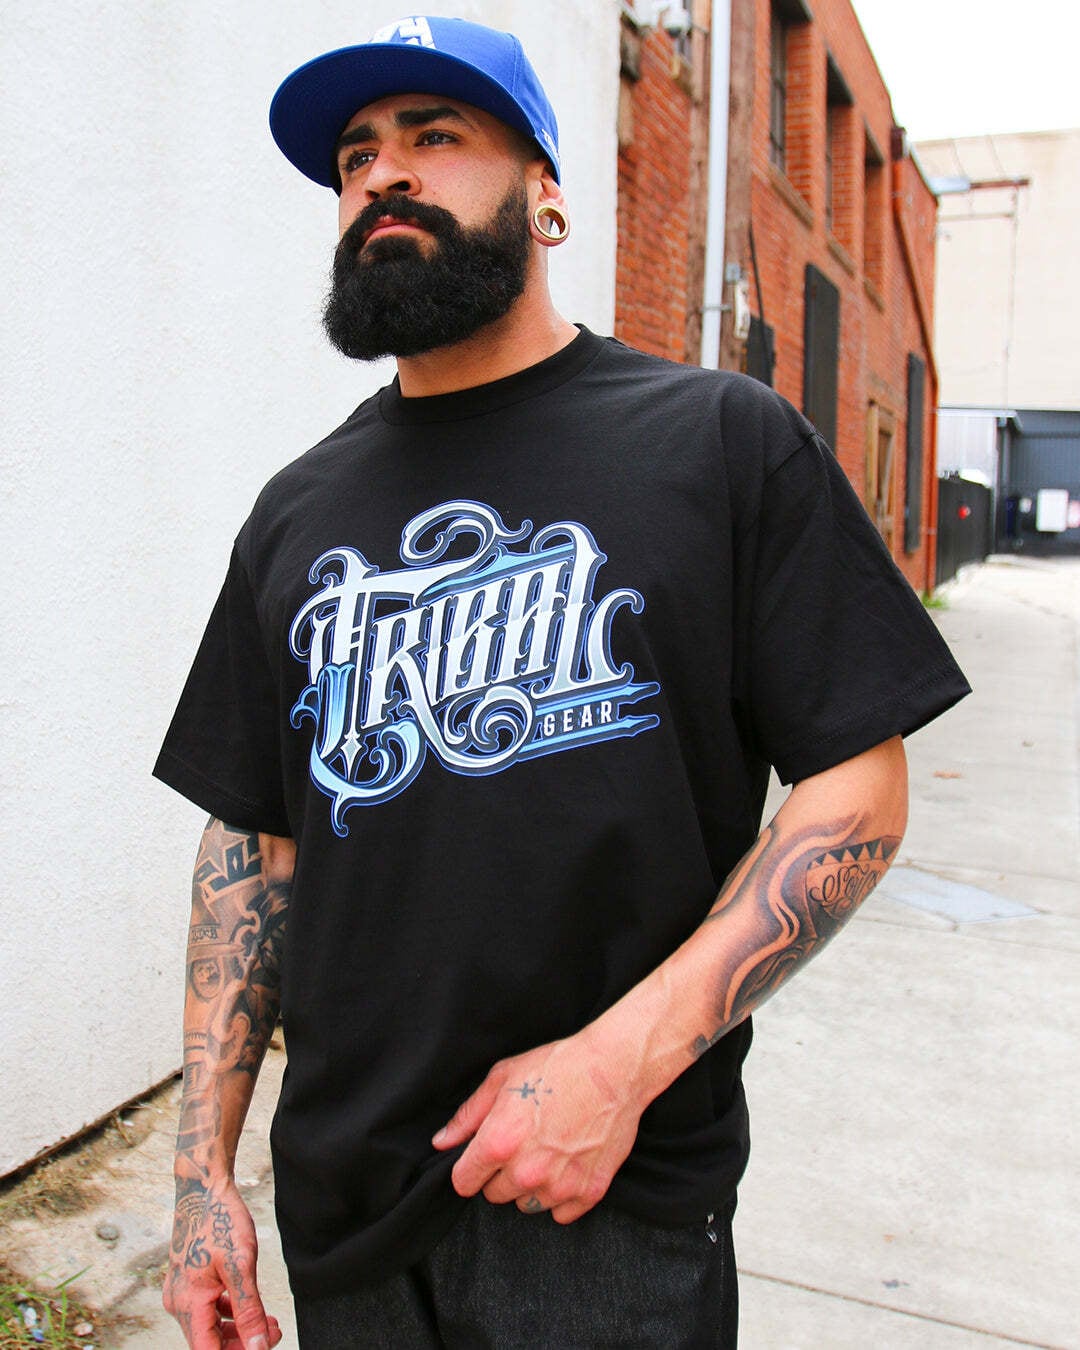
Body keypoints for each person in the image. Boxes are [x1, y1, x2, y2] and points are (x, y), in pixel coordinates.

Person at [154, 15, 970, 1349]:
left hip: (610, 1201)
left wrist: (619, 1065)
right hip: (348, 1215)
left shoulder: (718, 443)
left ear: (547, 195)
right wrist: (202, 1180)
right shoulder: (297, 511)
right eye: (355, 156)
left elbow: (860, 789)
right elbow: (253, 846)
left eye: (435, 136)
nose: (382, 174)